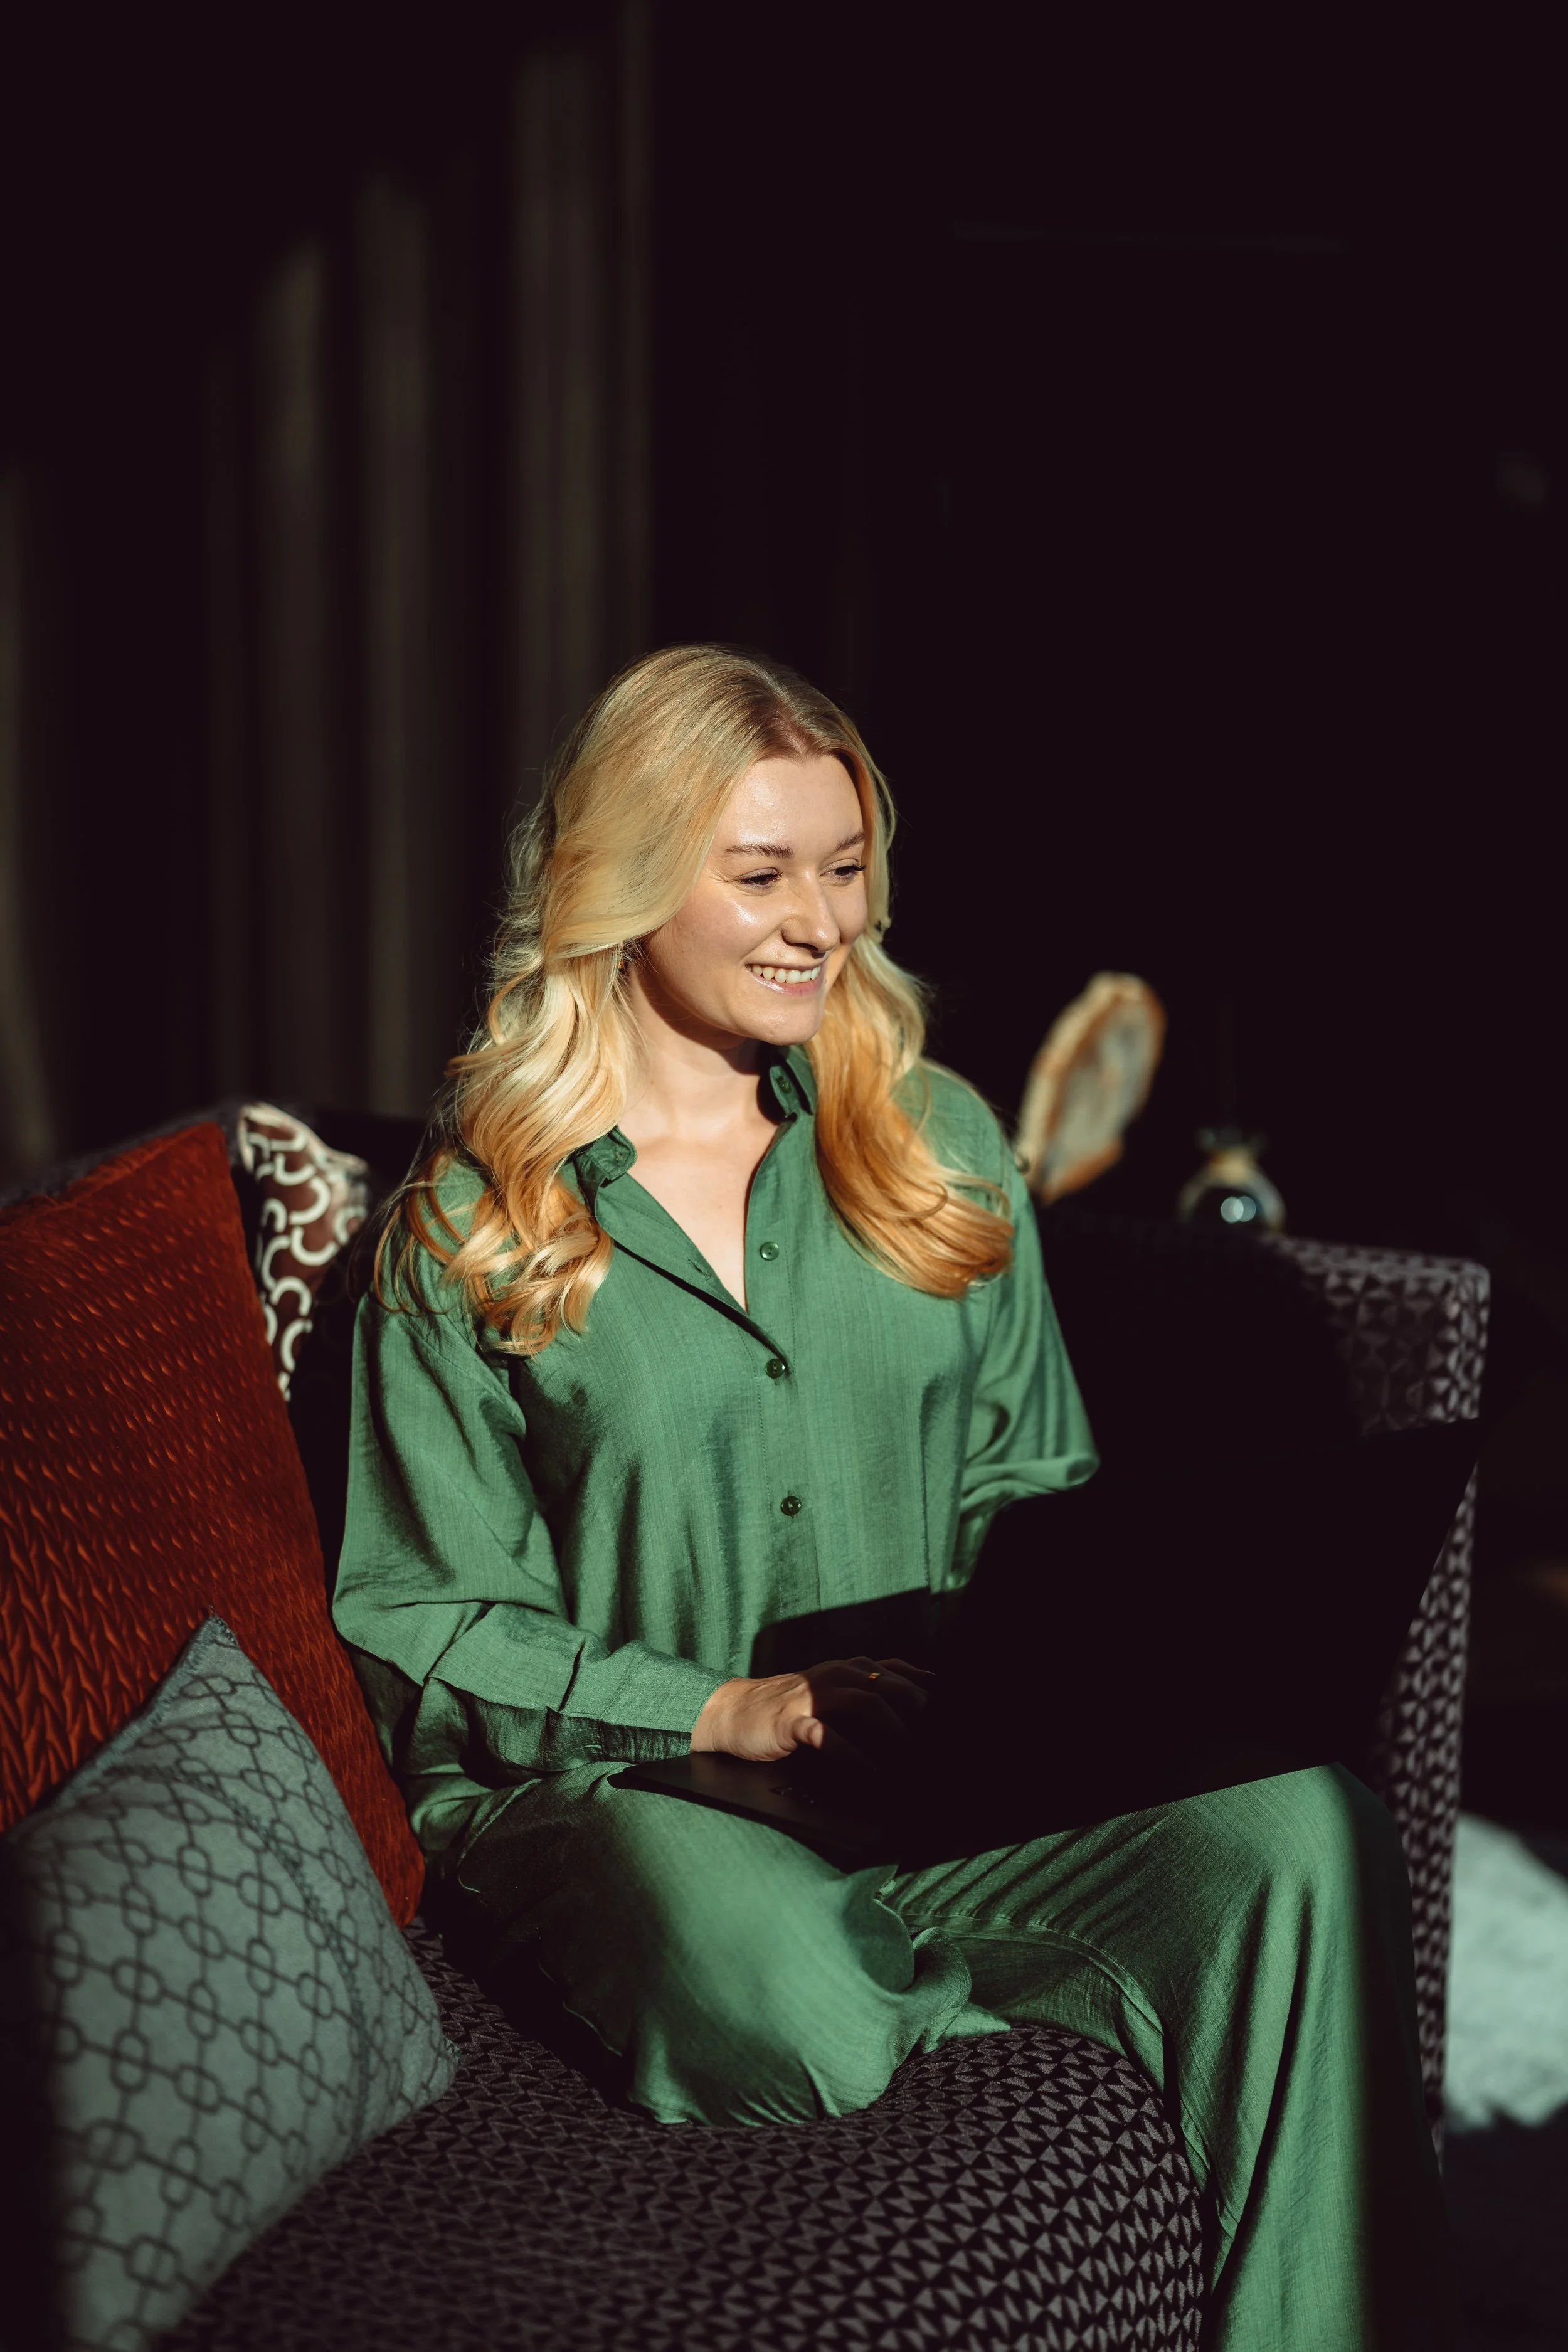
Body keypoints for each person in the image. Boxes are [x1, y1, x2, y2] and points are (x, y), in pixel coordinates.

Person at [335, 644, 1458, 2349]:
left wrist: (1085, 1650)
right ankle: (1055, 2014)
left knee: (1300, 1829)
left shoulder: (930, 1133)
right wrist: (721, 1703)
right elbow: (414, 1619)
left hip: (948, 1771)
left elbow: (1030, 1472)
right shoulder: (474, 1222)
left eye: (845, 869)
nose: (821, 921)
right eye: (763, 873)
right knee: (767, 1974)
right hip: (638, 1795)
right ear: (629, 881)